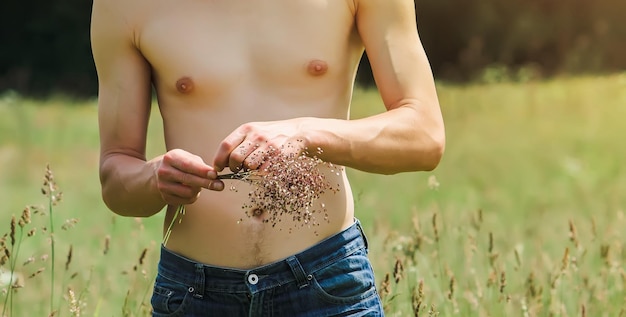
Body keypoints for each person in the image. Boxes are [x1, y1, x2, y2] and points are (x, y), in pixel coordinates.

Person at [90, 0, 445, 315]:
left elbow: (424, 134)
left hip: (326, 284)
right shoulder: (123, 5)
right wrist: (153, 179)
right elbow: (115, 174)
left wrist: (303, 133)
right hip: (192, 294)